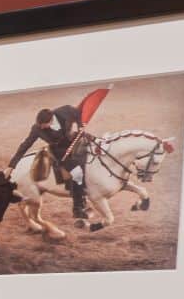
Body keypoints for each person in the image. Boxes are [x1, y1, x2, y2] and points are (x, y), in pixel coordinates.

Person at [10, 86, 111, 231]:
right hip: (59, 152)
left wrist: (79, 125)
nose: (42, 128)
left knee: (95, 153)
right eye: (40, 125)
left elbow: (79, 114)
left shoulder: (66, 111)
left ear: (51, 120)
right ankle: (78, 207)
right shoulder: (37, 128)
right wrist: (12, 165)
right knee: (77, 174)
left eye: (44, 125)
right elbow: (24, 145)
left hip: (75, 141)